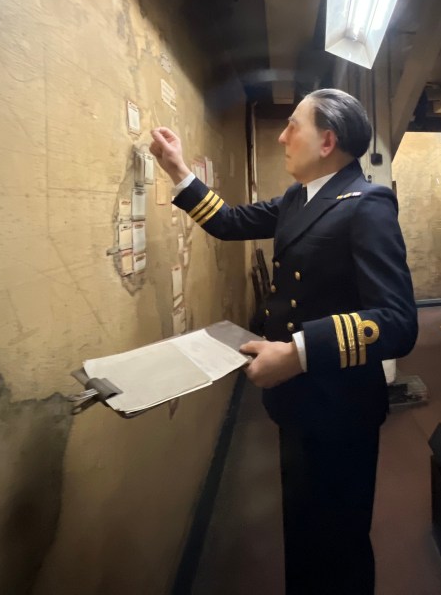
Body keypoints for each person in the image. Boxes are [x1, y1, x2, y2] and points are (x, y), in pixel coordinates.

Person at [149, 88, 417, 595]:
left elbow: (399, 321)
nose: (282, 136)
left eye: (294, 125)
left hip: (341, 408)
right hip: (297, 403)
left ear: (327, 141)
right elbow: (230, 222)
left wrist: (297, 353)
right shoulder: (300, 198)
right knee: (303, 531)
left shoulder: (367, 205)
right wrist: (178, 171)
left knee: (338, 541)